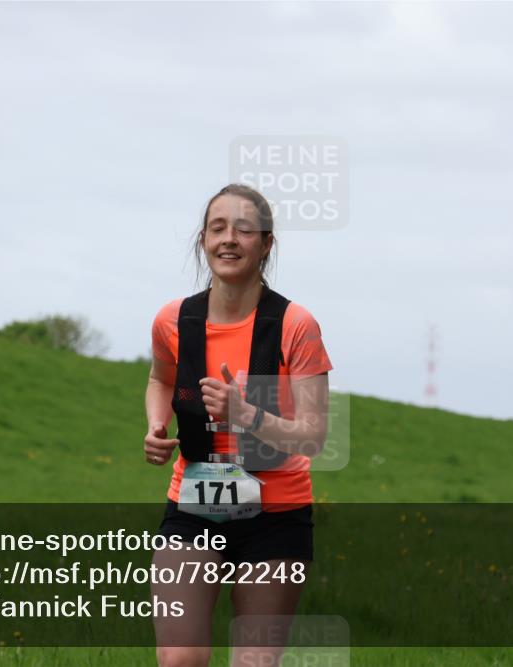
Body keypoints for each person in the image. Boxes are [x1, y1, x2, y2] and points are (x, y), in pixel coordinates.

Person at [143, 184, 333, 667]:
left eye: (244, 229)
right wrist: (156, 425)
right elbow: (160, 379)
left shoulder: (295, 325)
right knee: (179, 659)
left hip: (276, 515)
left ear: (266, 244)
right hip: (193, 508)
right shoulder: (174, 320)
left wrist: (244, 413)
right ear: (203, 239)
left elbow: (313, 434)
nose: (229, 239)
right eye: (217, 228)